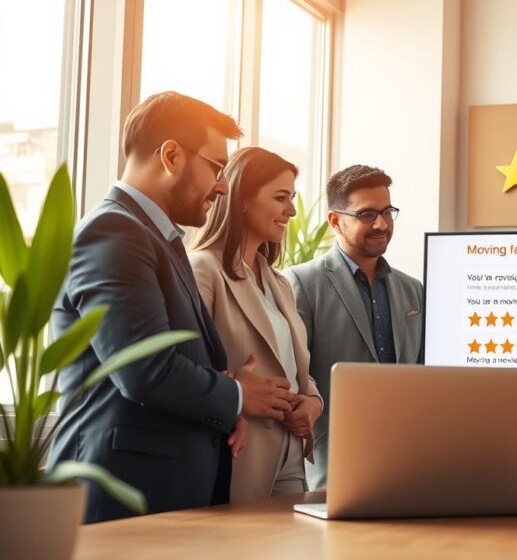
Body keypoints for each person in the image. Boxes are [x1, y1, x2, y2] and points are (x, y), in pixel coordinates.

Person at [47, 92, 297, 523]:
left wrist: (222, 409)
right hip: (122, 497)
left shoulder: (156, 237)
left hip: (158, 496)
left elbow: (167, 356)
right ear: (171, 156)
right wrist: (238, 396)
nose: (223, 185)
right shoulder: (115, 232)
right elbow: (145, 370)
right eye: (216, 167)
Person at [189, 147, 324, 502]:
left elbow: (293, 365)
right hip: (241, 452)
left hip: (290, 451)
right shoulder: (204, 270)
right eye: (281, 198)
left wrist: (312, 402)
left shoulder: (279, 283)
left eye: (292, 198)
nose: (292, 210)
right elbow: (187, 366)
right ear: (243, 199)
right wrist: (236, 390)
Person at [285, 164, 424, 490]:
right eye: (367, 214)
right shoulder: (302, 283)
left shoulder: (413, 289)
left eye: (387, 212)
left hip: (406, 459)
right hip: (333, 463)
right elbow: (296, 375)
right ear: (335, 221)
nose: (381, 224)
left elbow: (422, 375)